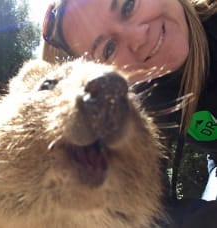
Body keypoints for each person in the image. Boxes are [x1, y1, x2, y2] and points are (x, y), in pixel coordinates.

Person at [41, 0, 217, 226]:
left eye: (128, 6)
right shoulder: (143, 109)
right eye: (109, 48)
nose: (138, 38)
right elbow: (151, 212)